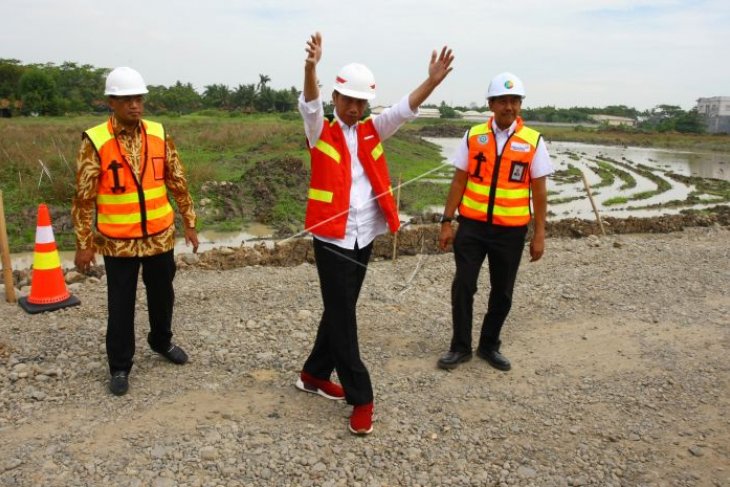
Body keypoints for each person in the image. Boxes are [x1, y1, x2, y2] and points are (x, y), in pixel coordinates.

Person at [295, 32, 454, 435]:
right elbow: (309, 104)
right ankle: (361, 396)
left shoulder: (371, 130)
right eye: (347, 100)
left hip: (363, 236)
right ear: (335, 99)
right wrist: (310, 67)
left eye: (360, 102)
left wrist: (432, 81)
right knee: (344, 316)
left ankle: (313, 374)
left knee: (339, 309)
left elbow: (403, 110)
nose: (353, 108)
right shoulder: (320, 131)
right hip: (331, 239)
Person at [72, 67, 199, 396]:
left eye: (139, 98)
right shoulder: (95, 140)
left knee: (162, 295)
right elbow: (84, 197)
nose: (135, 105)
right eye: (127, 99)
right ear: (111, 102)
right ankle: (119, 366)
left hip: (159, 236)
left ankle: (161, 341)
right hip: (117, 243)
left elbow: (177, 179)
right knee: (120, 304)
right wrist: (84, 244)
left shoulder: (159, 133)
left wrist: (189, 220)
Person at [436, 72, 553, 372]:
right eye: (503, 100)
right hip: (472, 227)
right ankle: (460, 347)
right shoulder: (474, 136)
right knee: (463, 285)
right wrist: (447, 222)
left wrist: (539, 234)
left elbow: (539, 191)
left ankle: (489, 345)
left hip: (510, 232)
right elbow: (459, 179)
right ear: (491, 104)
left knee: (502, 291)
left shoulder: (532, 141)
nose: (509, 107)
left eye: (515, 101)